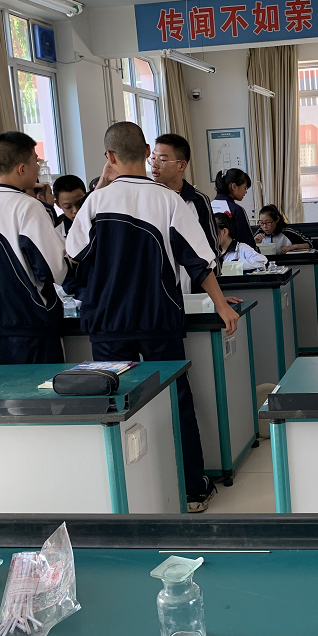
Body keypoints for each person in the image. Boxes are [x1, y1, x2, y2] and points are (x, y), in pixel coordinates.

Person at [66, 121, 239, 513]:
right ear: (147, 152)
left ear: (109, 157)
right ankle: (193, 488)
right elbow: (200, 262)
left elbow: (73, 257)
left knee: (113, 404)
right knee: (176, 399)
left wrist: (100, 189)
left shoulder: (95, 203)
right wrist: (221, 304)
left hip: (107, 322)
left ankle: (126, 496)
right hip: (157, 317)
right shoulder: (169, 201)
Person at [0, 131, 68, 365]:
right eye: (35, 162)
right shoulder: (28, 206)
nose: (38, 168)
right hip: (31, 328)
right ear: (22, 168)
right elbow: (54, 270)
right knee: (41, 389)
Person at [149, 133, 223, 294]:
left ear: (181, 165)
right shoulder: (147, 198)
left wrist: (214, 296)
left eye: (162, 159)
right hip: (157, 293)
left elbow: (212, 250)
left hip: (193, 292)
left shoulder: (198, 200)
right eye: (153, 158)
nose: (154, 164)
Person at [211, 168, 257, 249]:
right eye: (245, 188)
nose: (245, 192)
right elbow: (247, 242)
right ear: (234, 186)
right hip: (232, 254)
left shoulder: (208, 206)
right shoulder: (236, 210)